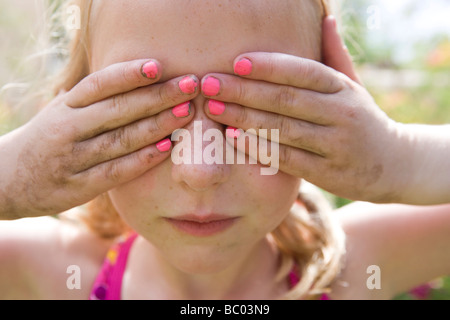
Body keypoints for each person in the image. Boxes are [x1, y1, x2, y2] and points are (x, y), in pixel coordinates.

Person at [0, 0, 449, 300]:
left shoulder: (351, 265)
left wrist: (404, 157)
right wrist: (11, 179)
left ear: (333, 104)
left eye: (256, 107)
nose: (201, 170)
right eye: (143, 112)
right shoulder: (55, 272)